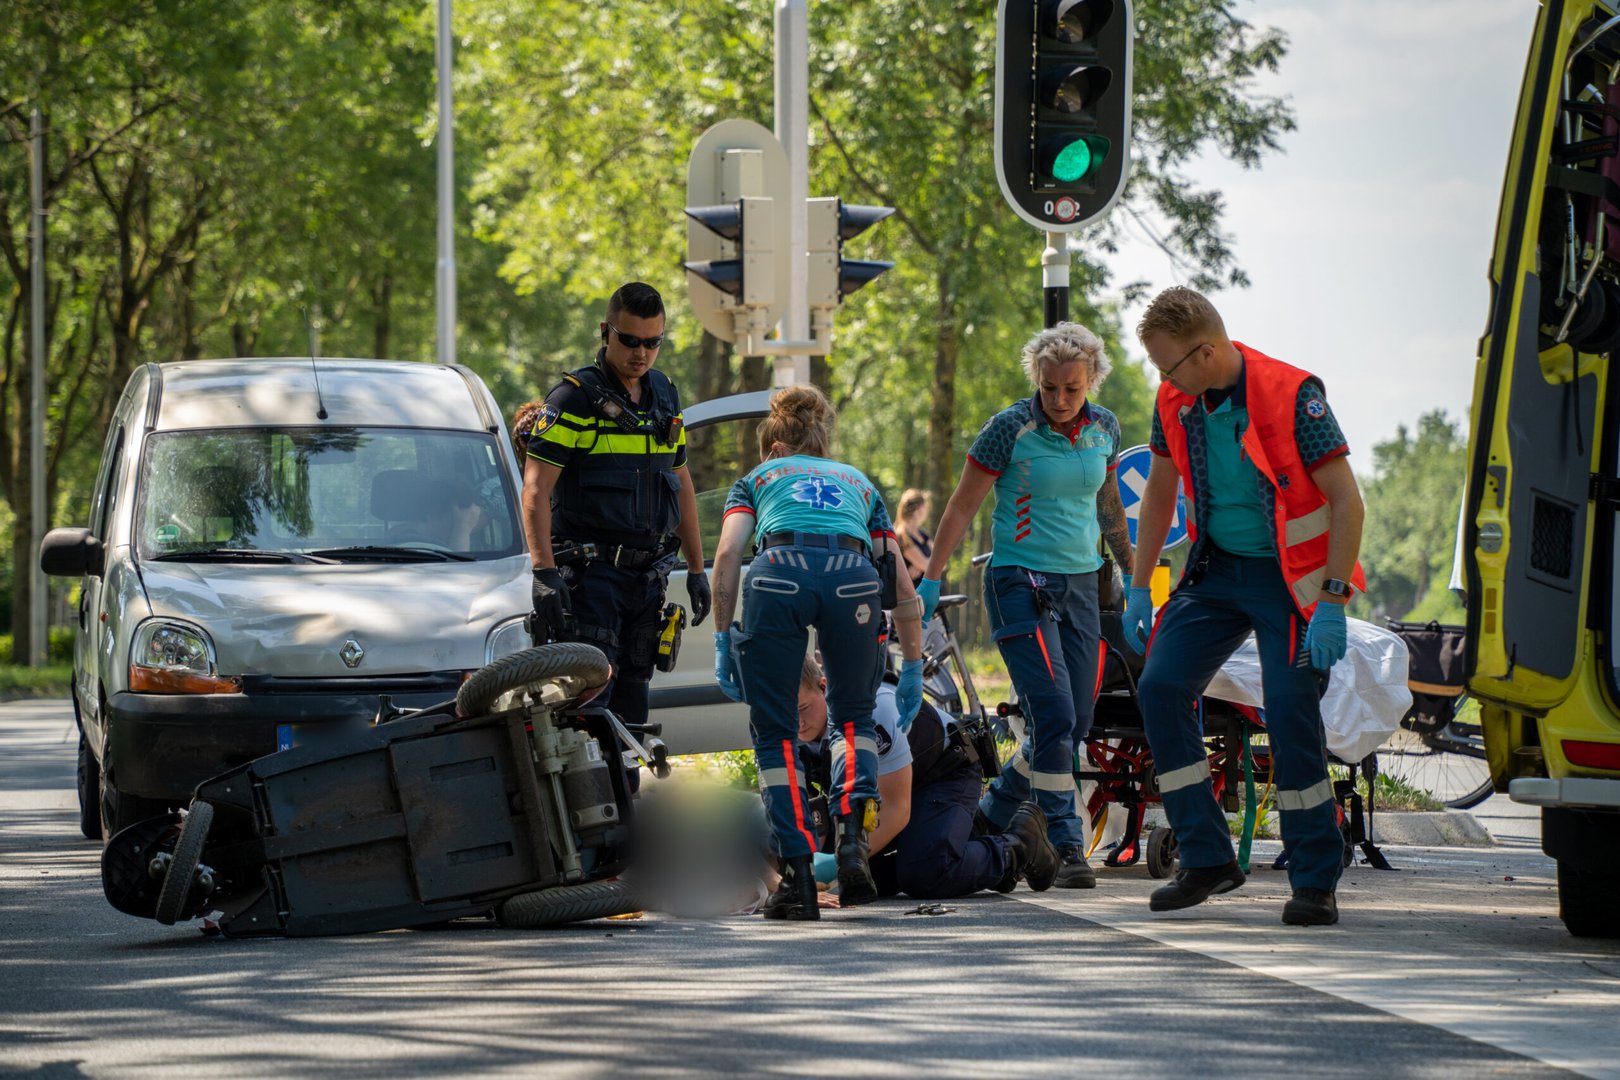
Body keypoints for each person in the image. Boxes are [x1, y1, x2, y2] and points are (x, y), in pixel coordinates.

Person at [1124, 286, 1365, 928]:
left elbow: (1347, 501)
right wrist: (1137, 585)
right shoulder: (1176, 399)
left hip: (1292, 583)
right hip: (1215, 571)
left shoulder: (1294, 395)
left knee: (1288, 706)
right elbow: (1158, 493)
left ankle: (1315, 879)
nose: (1162, 378)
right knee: (1161, 686)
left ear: (1205, 353)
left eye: (1167, 366)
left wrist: (1335, 600)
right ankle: (1207, 857)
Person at [916, 323, 1134, 890]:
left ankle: (992, 811)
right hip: (1020, 582)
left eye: (1073, 389)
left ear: (1091, 381)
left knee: (1075, 722)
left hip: (1083, 584)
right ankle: (1066, 844)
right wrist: (931, 578)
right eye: (1050, 387)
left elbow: (1110, 509)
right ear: (1036, 378)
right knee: (1055, 715)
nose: (1060, 401)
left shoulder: (1104, 426)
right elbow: (962, 507)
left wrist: (1136, 578)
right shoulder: (1008, 429)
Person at [709, 386, 926, 921]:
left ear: (773, 446)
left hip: (777, 574)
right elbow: (898, 582)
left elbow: (730, 552)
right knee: (852, 719)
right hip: (853, 579)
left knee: (774, 732)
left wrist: (720, 637)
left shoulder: (758, 479)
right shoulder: (858, 482)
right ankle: (852, 843)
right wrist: (916, 662)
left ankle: (799, 880)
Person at [521, 282, 711, 768]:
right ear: (606, 333)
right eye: (630, 340)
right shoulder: (573, 399)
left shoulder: (665, 394)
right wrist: (543, 574)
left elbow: (682, 480)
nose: (641, 353)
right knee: (589, 715)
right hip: (591, 582)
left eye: (653, 342)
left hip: (646, 583)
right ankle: (586, 837)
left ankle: (625, 832)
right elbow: (536, 490)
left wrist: (696, 568)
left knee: (634, 715)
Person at [796, 653, 1058, 899]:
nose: (798, 724)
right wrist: (805, 872)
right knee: (865, 876)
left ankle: (1019, 847)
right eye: (788, 713)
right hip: (891, 793)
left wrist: (840, 862)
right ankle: (959, 842)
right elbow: (813, 818)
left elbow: (897, 808)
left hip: (945, 773)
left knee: (925, 873)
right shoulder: (790, 732)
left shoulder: (874, 711)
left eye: (803, 709)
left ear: (823, 687)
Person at [894, 489, 934, 586]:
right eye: (925, 507)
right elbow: (934, 565)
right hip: (913, 594)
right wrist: (925, 564)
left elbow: (942, 562)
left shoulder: (923, 535)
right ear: (919, 509)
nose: (927, 511)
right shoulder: (901, 536)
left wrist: (920, 566)